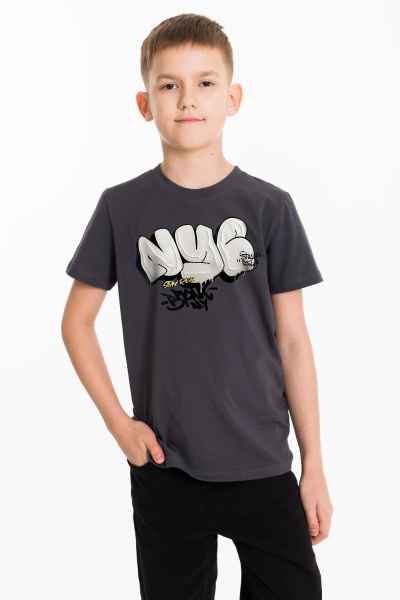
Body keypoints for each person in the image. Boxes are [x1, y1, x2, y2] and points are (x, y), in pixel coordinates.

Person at [62, 12, 333, 600]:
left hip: (261, 463)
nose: (188, 99)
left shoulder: (270, 208)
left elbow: (293, 341)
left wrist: (313, 465)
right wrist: (118, 424)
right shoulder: (121, 207)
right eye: (169, 85)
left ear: (232, 98)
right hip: (164, 466)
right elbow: (76, 322)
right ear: (145, 104)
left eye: (206, 83)